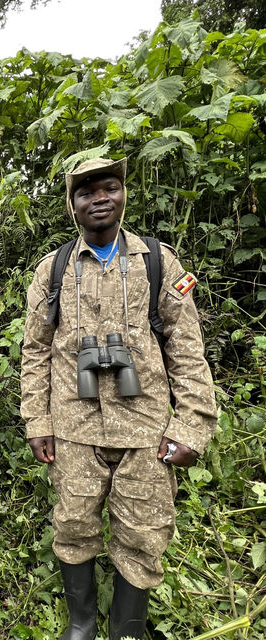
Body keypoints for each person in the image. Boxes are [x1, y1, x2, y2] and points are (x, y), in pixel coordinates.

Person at [20, 157, 217, 640]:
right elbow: (35, 352)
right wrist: (37, 421)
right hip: (74, 429)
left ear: (124, 194)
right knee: (72, 526)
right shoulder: (54, 270)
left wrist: (191, 425)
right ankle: (81, 624)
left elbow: (187, 348)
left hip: (146, 429)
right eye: (86, 193)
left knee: (144, 533)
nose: (99, 198)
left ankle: (126, 631)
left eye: (109, 187)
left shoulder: (157, 261)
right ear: (72, 205)